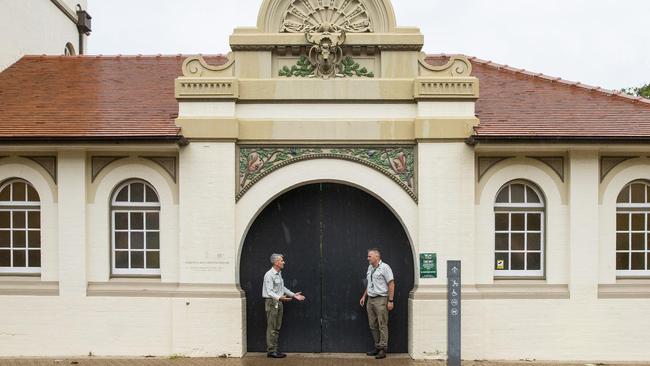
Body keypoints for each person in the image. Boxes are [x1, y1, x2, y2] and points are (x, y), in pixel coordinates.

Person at [262, 253, 306, 358]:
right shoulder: (269, 275)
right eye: (281, 260)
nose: (283, 262)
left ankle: (274, 349)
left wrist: (294, 295)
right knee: (272, 327)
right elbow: (269, 291)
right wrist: (280, 298)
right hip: (272, 302)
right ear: (276, 262)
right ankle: (271, 351)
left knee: (277, 327)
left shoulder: (278, 274)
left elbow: (282, 288)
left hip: (279, 302)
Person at [359, 248, 395, 359]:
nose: (367, 258)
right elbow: (369, 283)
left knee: (382, 324)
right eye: (368, 256)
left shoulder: (385, 267)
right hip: (371, 300)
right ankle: (377, 346)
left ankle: (383, 349)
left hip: (381, 299)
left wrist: (390, 300)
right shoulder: (370, 267)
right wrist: (364, 296)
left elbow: (391, 284)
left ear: (376, 257)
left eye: (370, 256)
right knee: (372, 325)